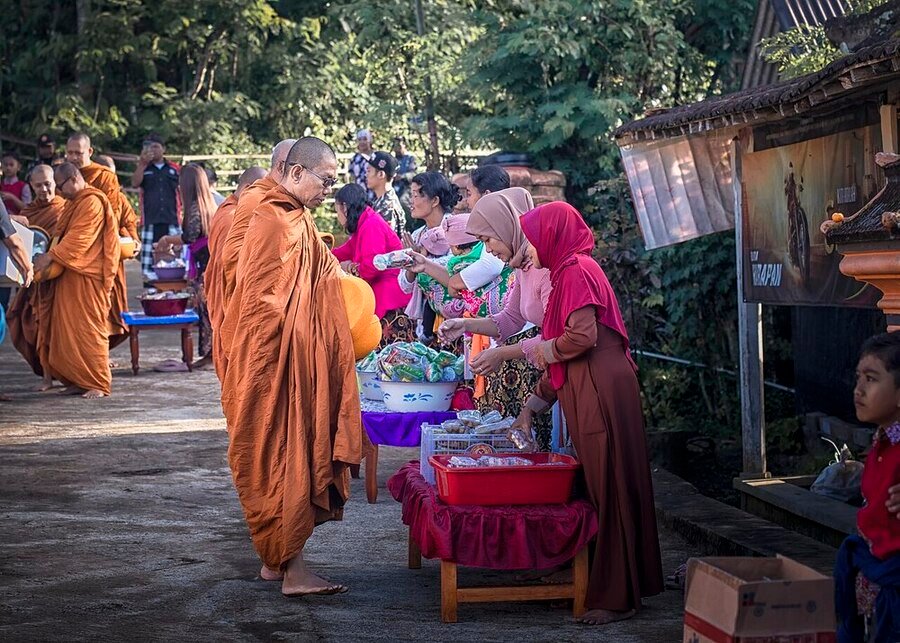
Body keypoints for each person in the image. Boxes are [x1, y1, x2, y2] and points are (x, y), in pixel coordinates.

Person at [219, 137, 364, 597]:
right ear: (296, 172)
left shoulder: (288, 213)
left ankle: (275, 561)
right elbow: (263, 308)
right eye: (325, 180)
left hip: (290, 356)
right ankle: (295, 573)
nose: (329, 189)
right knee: (287, 455)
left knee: (291, 454)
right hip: (274, 364)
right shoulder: (273, 218)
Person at [509, 202, 663, 625]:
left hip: (601, 386)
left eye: (533, 238)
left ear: (552, 236)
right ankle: (599, 582)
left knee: (609, 486)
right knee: (599, 487)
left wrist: (543, 350)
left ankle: (616, 597)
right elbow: (564, 353)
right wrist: (530, 407)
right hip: (588, 383)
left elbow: (580, 337)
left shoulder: (576, 270)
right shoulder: (564, 273)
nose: (529, 248)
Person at [438, 188, 555, 449]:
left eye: (488, 240)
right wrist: (464, 325)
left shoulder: (542, 266)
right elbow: (509, 318)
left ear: (506, 227)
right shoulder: (522, 265)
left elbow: (556, 337)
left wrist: (501, 354)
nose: (488, 252)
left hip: (551, 369)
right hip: (542, 369)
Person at [834, 333, 900, 642]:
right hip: (874, 561)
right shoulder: (882, 441)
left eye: (871, 379)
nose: (858, 390)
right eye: (859, 377)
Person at [34, 163, 118, 399]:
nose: (59, 192)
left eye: (60, 186)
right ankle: (78, 379)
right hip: (70, 274)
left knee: (89, 329)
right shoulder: (74, 202)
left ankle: (98, 382)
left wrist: (50, 256)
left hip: (88, 277)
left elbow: (79, 239)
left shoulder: (92, 202)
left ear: (73, 179)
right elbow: (61, 236)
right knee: (65, 330)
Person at [67, 133, 140, 348]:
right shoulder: (64, 176)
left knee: (104, 308)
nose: (73, 157)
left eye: (78, 153)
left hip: (103, 251)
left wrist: (132, 240)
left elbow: (117, 216)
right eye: (69, 152)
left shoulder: (105, 178)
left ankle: (99, 354)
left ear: (89, 152)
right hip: (74, 253)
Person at [6, 165, 66, 390]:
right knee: (35, 326)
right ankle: (47, 376)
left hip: (59, 278)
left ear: (55, 183)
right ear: (31, 186)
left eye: (48, 184)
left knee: (58, 327)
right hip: (34, 279)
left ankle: (65, 372)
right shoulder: (28, 212)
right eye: (38, 185)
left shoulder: (65, 208)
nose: (44, 189)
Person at [218, 140, 295, 313]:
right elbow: (233, 255)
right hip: (260, 302)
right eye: (299, 169)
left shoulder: (289, 198)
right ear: (282, 166)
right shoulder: (256, 198)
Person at [206, 165, 267, 381]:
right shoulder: (231, 217)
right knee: (237, 369)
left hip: (229, 298)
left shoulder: (230, 209)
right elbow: (232, 267)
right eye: (263, 192)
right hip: (229, 301)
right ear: (250, 189)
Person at [155, 164, 218, 368]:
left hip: (203, 267)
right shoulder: (208, 204)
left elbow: (189, 236)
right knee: (207, 311)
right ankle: (211, 354)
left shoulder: (194, 208)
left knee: (205, 311)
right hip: (206, 263)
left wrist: (166, 240)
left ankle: (210, 355)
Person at [331, 183, 411, 341]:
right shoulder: (365, 222)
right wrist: (321, 256)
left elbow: (372, 267)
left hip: (389, 299)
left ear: (345, 207)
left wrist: (349, 269)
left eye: (337, 210)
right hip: (383, 294)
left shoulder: (371, 225)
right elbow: (345, 251)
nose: (337, 215)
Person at [130, 133, 180, 279]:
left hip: (172, 219)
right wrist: (142, 164)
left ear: (163, 149)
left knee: (174, 258)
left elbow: (182, 190)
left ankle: (173, 288)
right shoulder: (144, 168)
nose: (153, 150)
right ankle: (150, 290)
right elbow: (135, 183)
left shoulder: (174, 169)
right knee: (149, 262)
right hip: (151, 220)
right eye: (150, 147)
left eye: (156, 147)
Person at [366, 151, 407, 236]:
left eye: (369, 171)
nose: (366, 175)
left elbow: (382, 244)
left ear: (381, 174)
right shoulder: (381, 201)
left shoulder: (387, 207)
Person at [1, 151, 33, 216]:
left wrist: (12, 198)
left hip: (18, 222)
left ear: (19, 167)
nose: (8, 168)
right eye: (5, 165)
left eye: (11, 165)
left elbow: (28, 209)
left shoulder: (24, 186)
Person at [348, 129, 374, 199]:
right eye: (360, 139)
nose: (362, 142)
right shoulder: (354, 159)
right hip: (359, 194)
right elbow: (352, 177)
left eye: (365, 139)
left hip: (373, 194)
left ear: (370, 141)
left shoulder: (375, 157)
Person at [392, 136, 417, 208]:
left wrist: (402, 176)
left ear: (404, 145)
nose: (397, 148)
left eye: (399, 146)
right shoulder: (393, 160)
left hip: (407, 187)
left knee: (402, 201)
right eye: (395, 146)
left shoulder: (410, 158)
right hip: (393, 187)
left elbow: (414, 174)